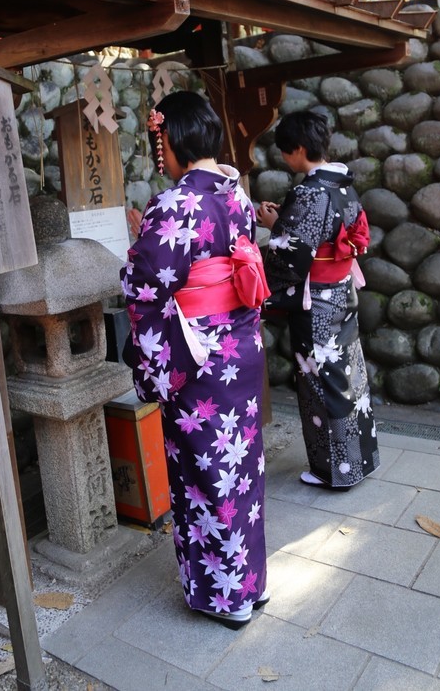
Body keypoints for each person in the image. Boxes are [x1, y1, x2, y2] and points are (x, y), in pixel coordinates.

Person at [120, 90, 270, 629]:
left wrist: (139, 240)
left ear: (171, 141)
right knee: (241, 472)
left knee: (206, 474)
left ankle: (224, 597)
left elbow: (145, 287)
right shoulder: (236, 195)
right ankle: (250, 585)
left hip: (199, 354)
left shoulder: (175, 204)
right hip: (241, 345)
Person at [256, 109, 379, 489]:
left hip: (319, 305)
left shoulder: (309, 192)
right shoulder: (343, 184)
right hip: (342, 293)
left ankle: (335, 470)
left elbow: (291, 255)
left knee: (321, 381)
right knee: (348, 374)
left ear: (298, 149)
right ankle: (361, 460)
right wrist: (283, 223)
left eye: (285, 151)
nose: (283, 158)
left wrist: (269, 231)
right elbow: (323, 235)